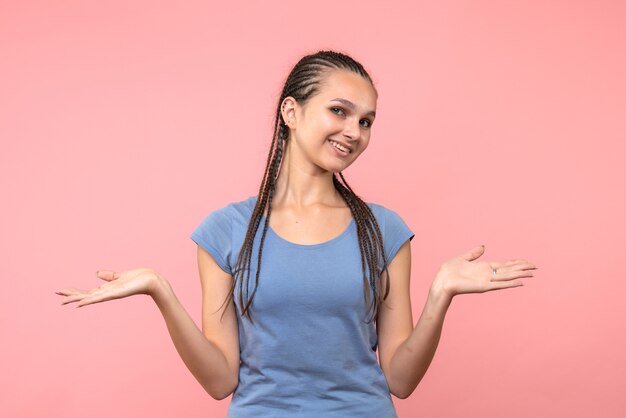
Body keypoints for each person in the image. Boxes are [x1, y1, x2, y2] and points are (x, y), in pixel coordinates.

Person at [56, 50, 537, 417]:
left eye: (367, 121)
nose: (355, 131)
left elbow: (402, 379)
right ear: (290, 111)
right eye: (340, 111)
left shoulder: (385, 231)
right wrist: (160, 290)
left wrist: (441, 294)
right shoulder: (225, 231)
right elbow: (221, 379)